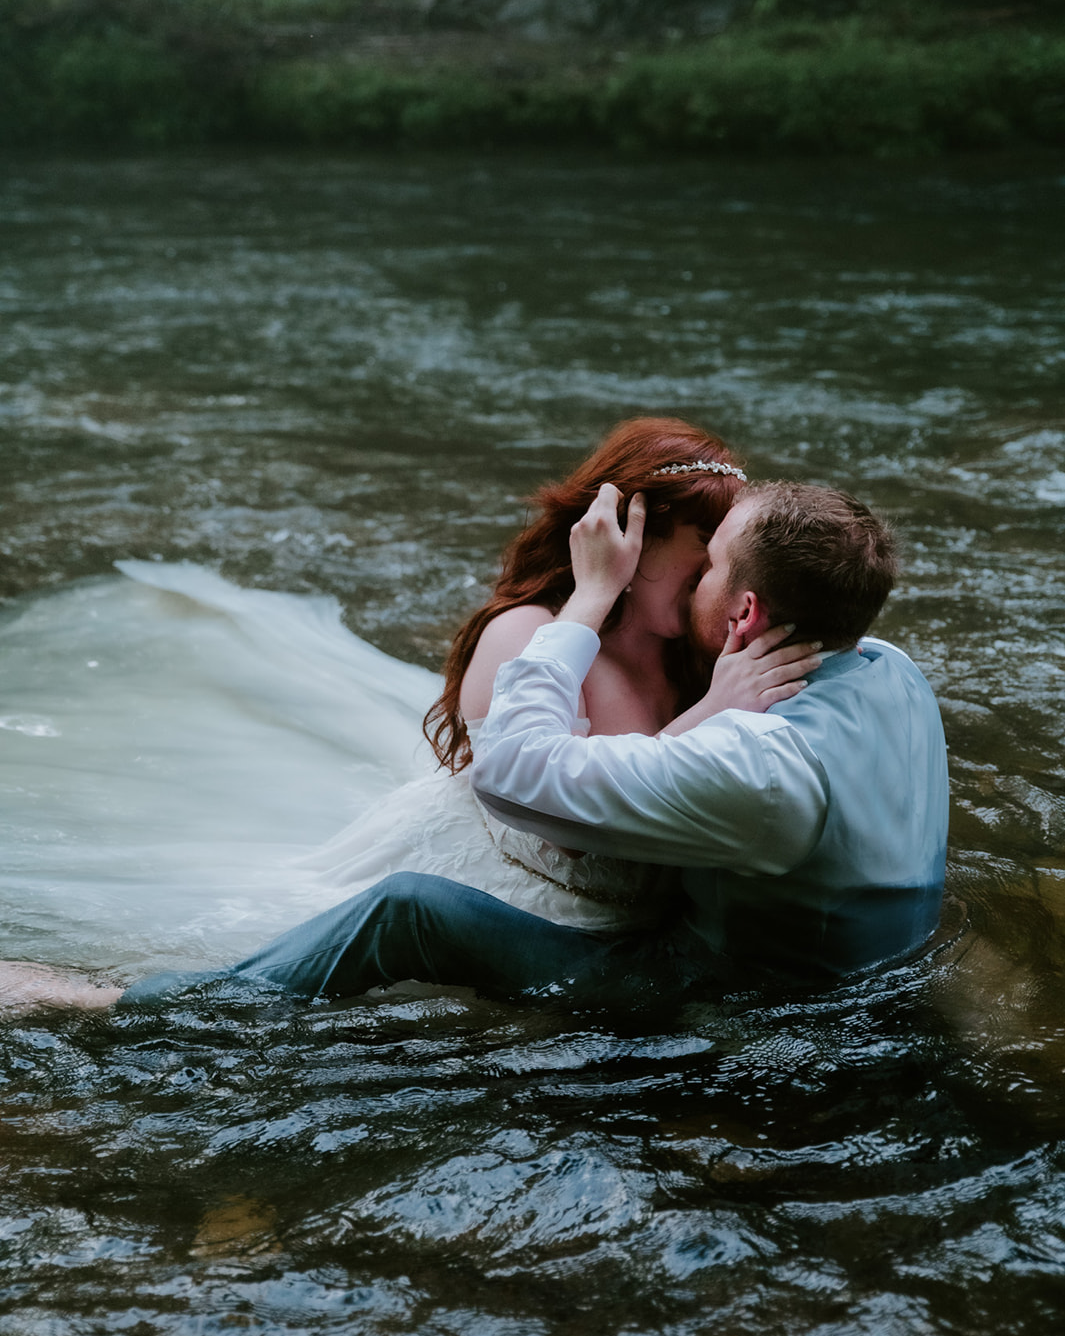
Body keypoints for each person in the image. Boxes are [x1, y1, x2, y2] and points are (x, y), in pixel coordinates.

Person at [3, 417, 809, 1012]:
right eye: (701, 553)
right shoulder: (528, 637)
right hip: (509, 897)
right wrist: (688, 690)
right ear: (628, 537)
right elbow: (566, 812)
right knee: (276, 1001)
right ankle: (119, 1005)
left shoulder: (698, 653)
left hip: (625, 935)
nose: (718, 579)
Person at [123, 473, 947, 1009]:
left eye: (708, 569)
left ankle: (168, 1010)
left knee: (409, 909)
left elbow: (511, 773)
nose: (691, 577)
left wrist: (586, 603)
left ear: (745, 616)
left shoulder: (761, 769)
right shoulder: (889, 670)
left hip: (720, 1004)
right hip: (873, 973)